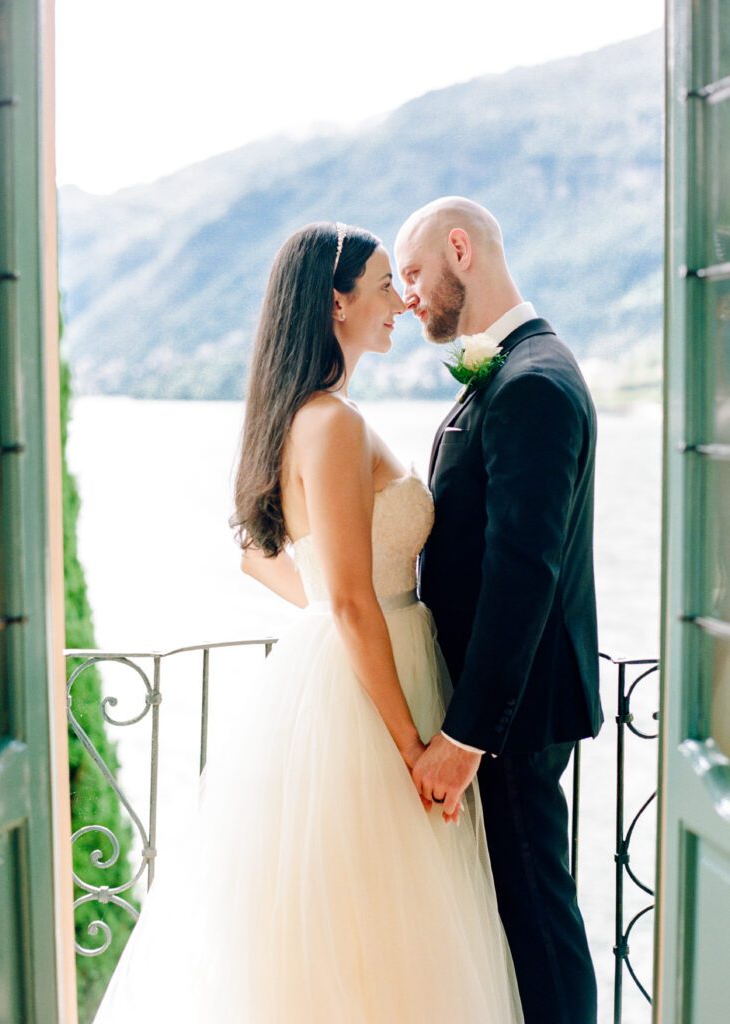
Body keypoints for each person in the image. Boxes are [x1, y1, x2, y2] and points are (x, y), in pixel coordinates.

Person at [91, 221, 522, 1023]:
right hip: (369, 694)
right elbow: (353, 599)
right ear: (337, 300)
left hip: (353, 667)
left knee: (363, 928)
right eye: (386, 282)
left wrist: (332, 615)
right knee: (380, 931)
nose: (401, 300)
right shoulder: (332, 423)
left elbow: (267, 563)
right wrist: (412, 747)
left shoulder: (306, 417)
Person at [394, 196, 603, 1024]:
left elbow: (524, 569)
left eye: (412, 273)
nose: (408, 294)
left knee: (538, 923)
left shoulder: (532, 383)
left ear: (459, 249)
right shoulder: (512, 370)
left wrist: (465, 736)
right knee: (516, 915)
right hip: (500, 710)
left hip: (509, 721)